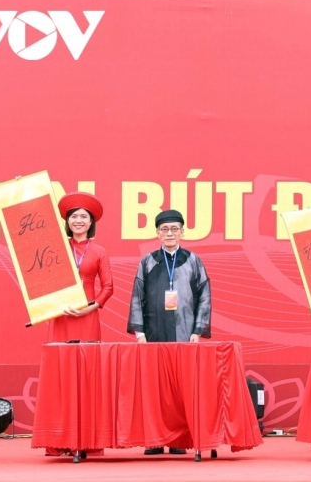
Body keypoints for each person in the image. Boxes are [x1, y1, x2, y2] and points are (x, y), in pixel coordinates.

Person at [127, 209, 212, 456]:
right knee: (154, 386)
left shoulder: (194, 260)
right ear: (157, 233)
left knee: (180, 387)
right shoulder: (148, 261)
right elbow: (137, 297)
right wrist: (139, 332)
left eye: (175, 229)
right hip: (153, 332)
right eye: (164, 229)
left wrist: (198, 330)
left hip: (185, 332)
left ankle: (178, 440)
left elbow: (204, 297)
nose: (170, 233)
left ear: (183, 232)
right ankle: (154, 439)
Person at [46, 192, 114, 457]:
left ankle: (89, 440)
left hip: (87, 317)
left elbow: (108, 287)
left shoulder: (99, 251)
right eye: (73, 216)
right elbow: (43, 282)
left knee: (88, 377)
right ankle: (59, 440)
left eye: (84, 217)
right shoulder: (55, 248)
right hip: (60, 315)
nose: (78, 220)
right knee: (60, 376)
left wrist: (89, 307)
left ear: (91, 222)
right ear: (67, 221)